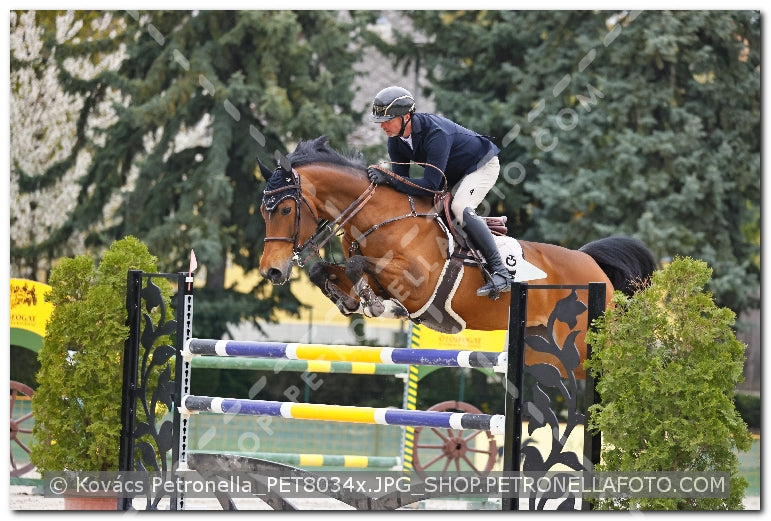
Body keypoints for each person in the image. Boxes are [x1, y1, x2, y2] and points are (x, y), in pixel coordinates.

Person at [367, 85, 512, 298]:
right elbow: (402, 185)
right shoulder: (395, 142)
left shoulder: (436, 134)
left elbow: (428, 186)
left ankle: (501, 272)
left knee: (460, 207)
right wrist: (388, 183)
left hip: (481, 166)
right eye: (381, 121)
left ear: (406, 116)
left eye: (388, 120)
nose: (383, 126)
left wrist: (389, 178)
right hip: (452, 174)